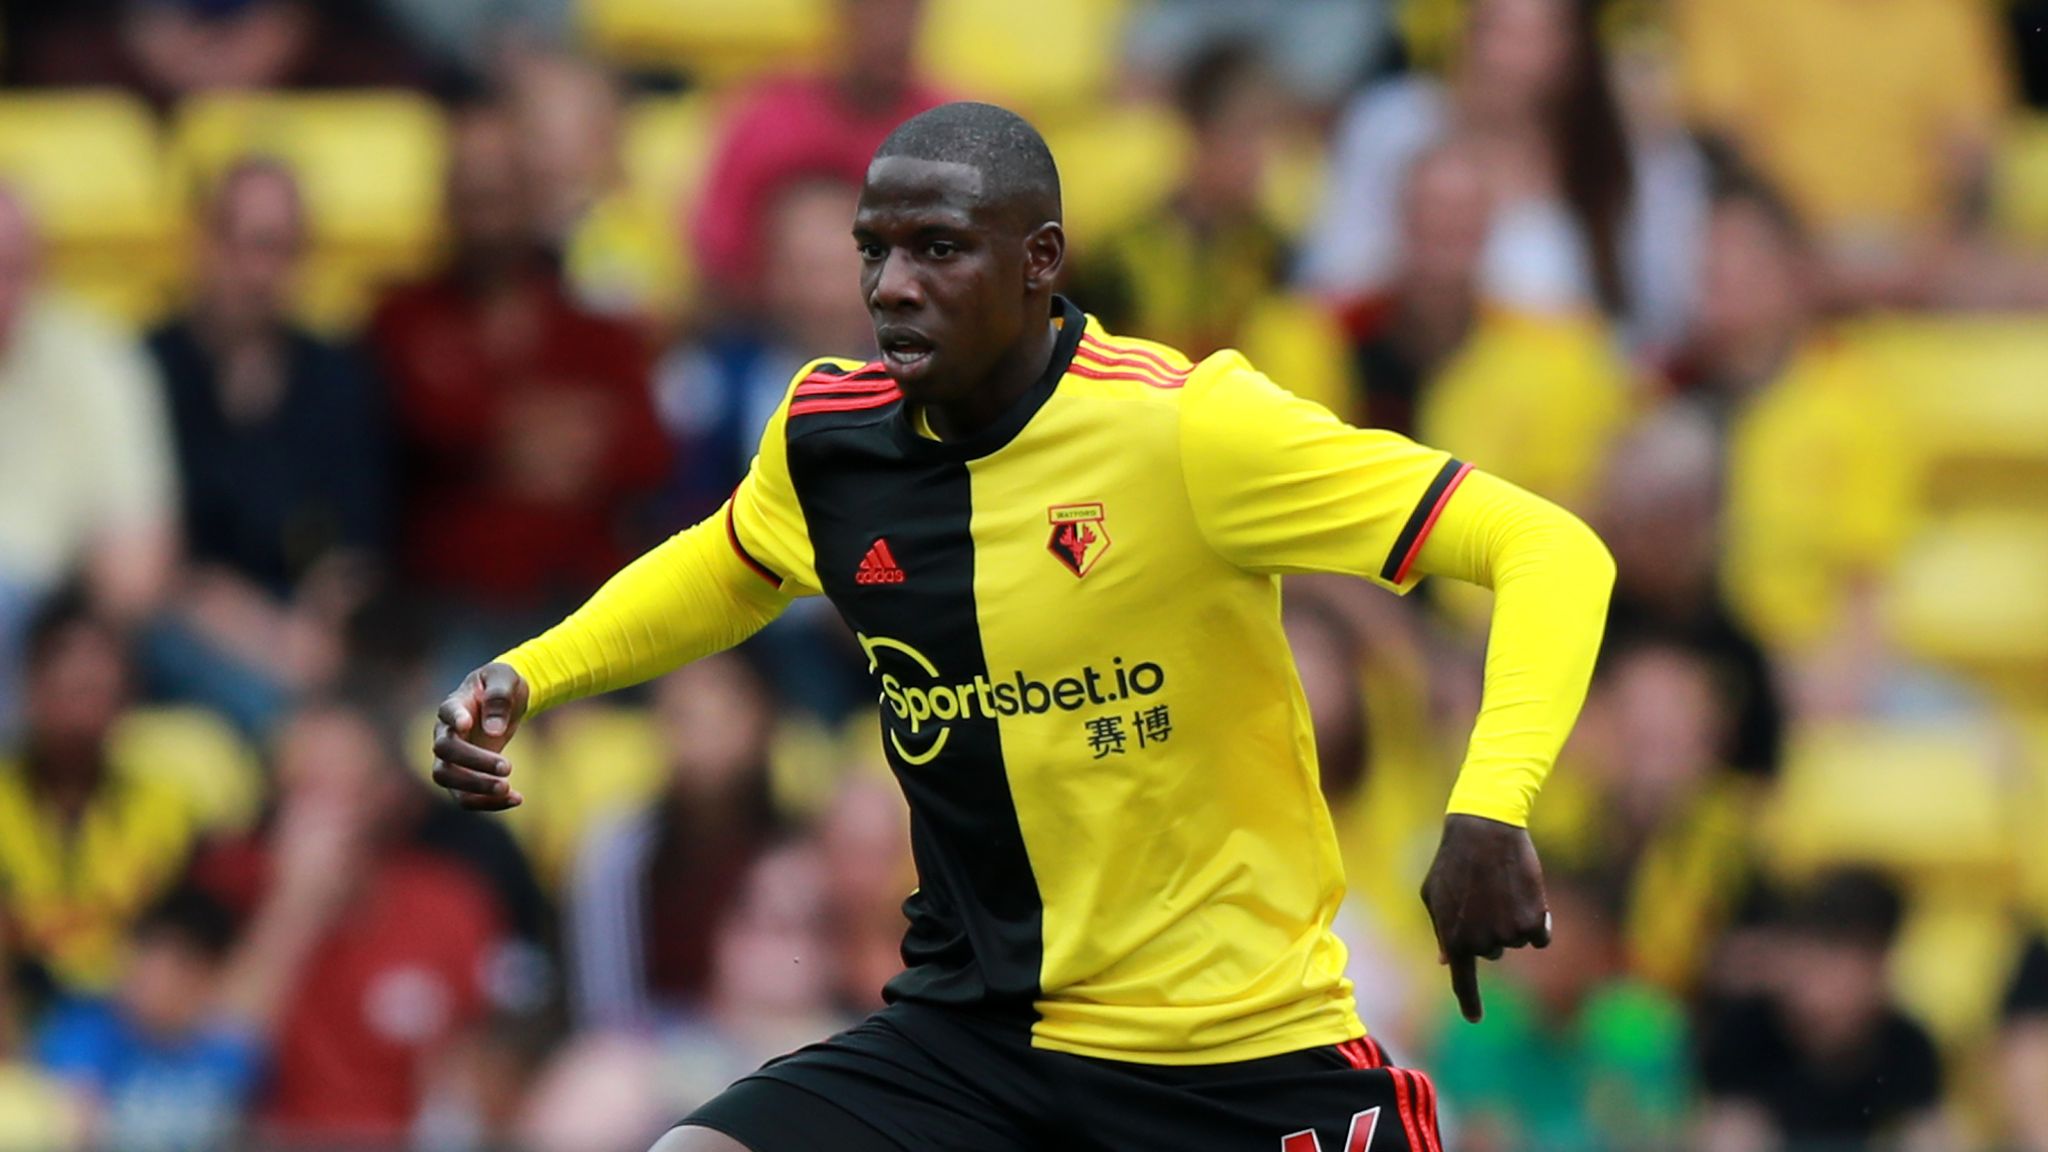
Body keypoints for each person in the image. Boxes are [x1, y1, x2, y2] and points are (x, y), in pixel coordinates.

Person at [432, 102, 1614, 1152]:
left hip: (1231, 1057)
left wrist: (1488, 806)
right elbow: (731, 564)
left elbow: (1550, 549)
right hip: (971, 1042)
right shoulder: (827, 439)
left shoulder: (1189, 432)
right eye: (874, 251)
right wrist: (531, 674)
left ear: (1040, 260)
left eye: (937, 249)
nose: (892, 285)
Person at [369, 104, 667, 643]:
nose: (489, 208)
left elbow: (647, 453)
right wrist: (540, 431)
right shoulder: (400, 321)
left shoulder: (599, 333)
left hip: (589, 600)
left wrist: (493, 437)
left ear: (533, 196)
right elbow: (406, 433)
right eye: (474, 189)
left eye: (502, 189)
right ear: (446, 200)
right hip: (445, 606)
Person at [148, 158, 390, 734]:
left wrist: (320, 629)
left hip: (309, 636)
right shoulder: (147, 371)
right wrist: (265, 638)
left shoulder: (338, 376)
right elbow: (151, 566)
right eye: (246, 245)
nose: (260, 273)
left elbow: (358, 546)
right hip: (187, 628)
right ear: (203, 244)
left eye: (282, 250)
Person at [0, 187, 176, 739]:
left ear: (41, 269)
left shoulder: (97, 360)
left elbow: (137, 573)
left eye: (11, 268)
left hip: (50, 619)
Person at [1697, 868, 1949, 1152]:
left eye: (1848, 967)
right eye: (1819, 960)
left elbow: (1927, 1133)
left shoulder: (1907, 1046)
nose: (1827, 987)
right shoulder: (1746, 1034)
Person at [33, 887, 263, 1152]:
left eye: (168, 967)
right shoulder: (85, 1030)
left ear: (205, 977)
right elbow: (77, 1122)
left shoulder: (230, 1051)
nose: (142, 978)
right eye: (140, 957)